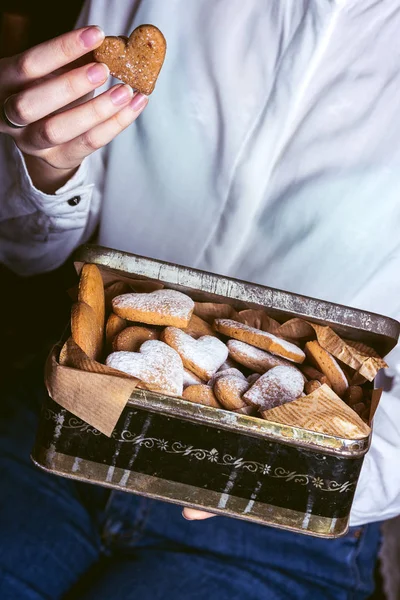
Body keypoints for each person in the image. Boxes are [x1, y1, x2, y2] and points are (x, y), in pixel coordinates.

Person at [0, 1, 400, 598]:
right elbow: (31, 251)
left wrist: (307, 476)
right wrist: (39, 165)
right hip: (69, 421)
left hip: (278, 525)